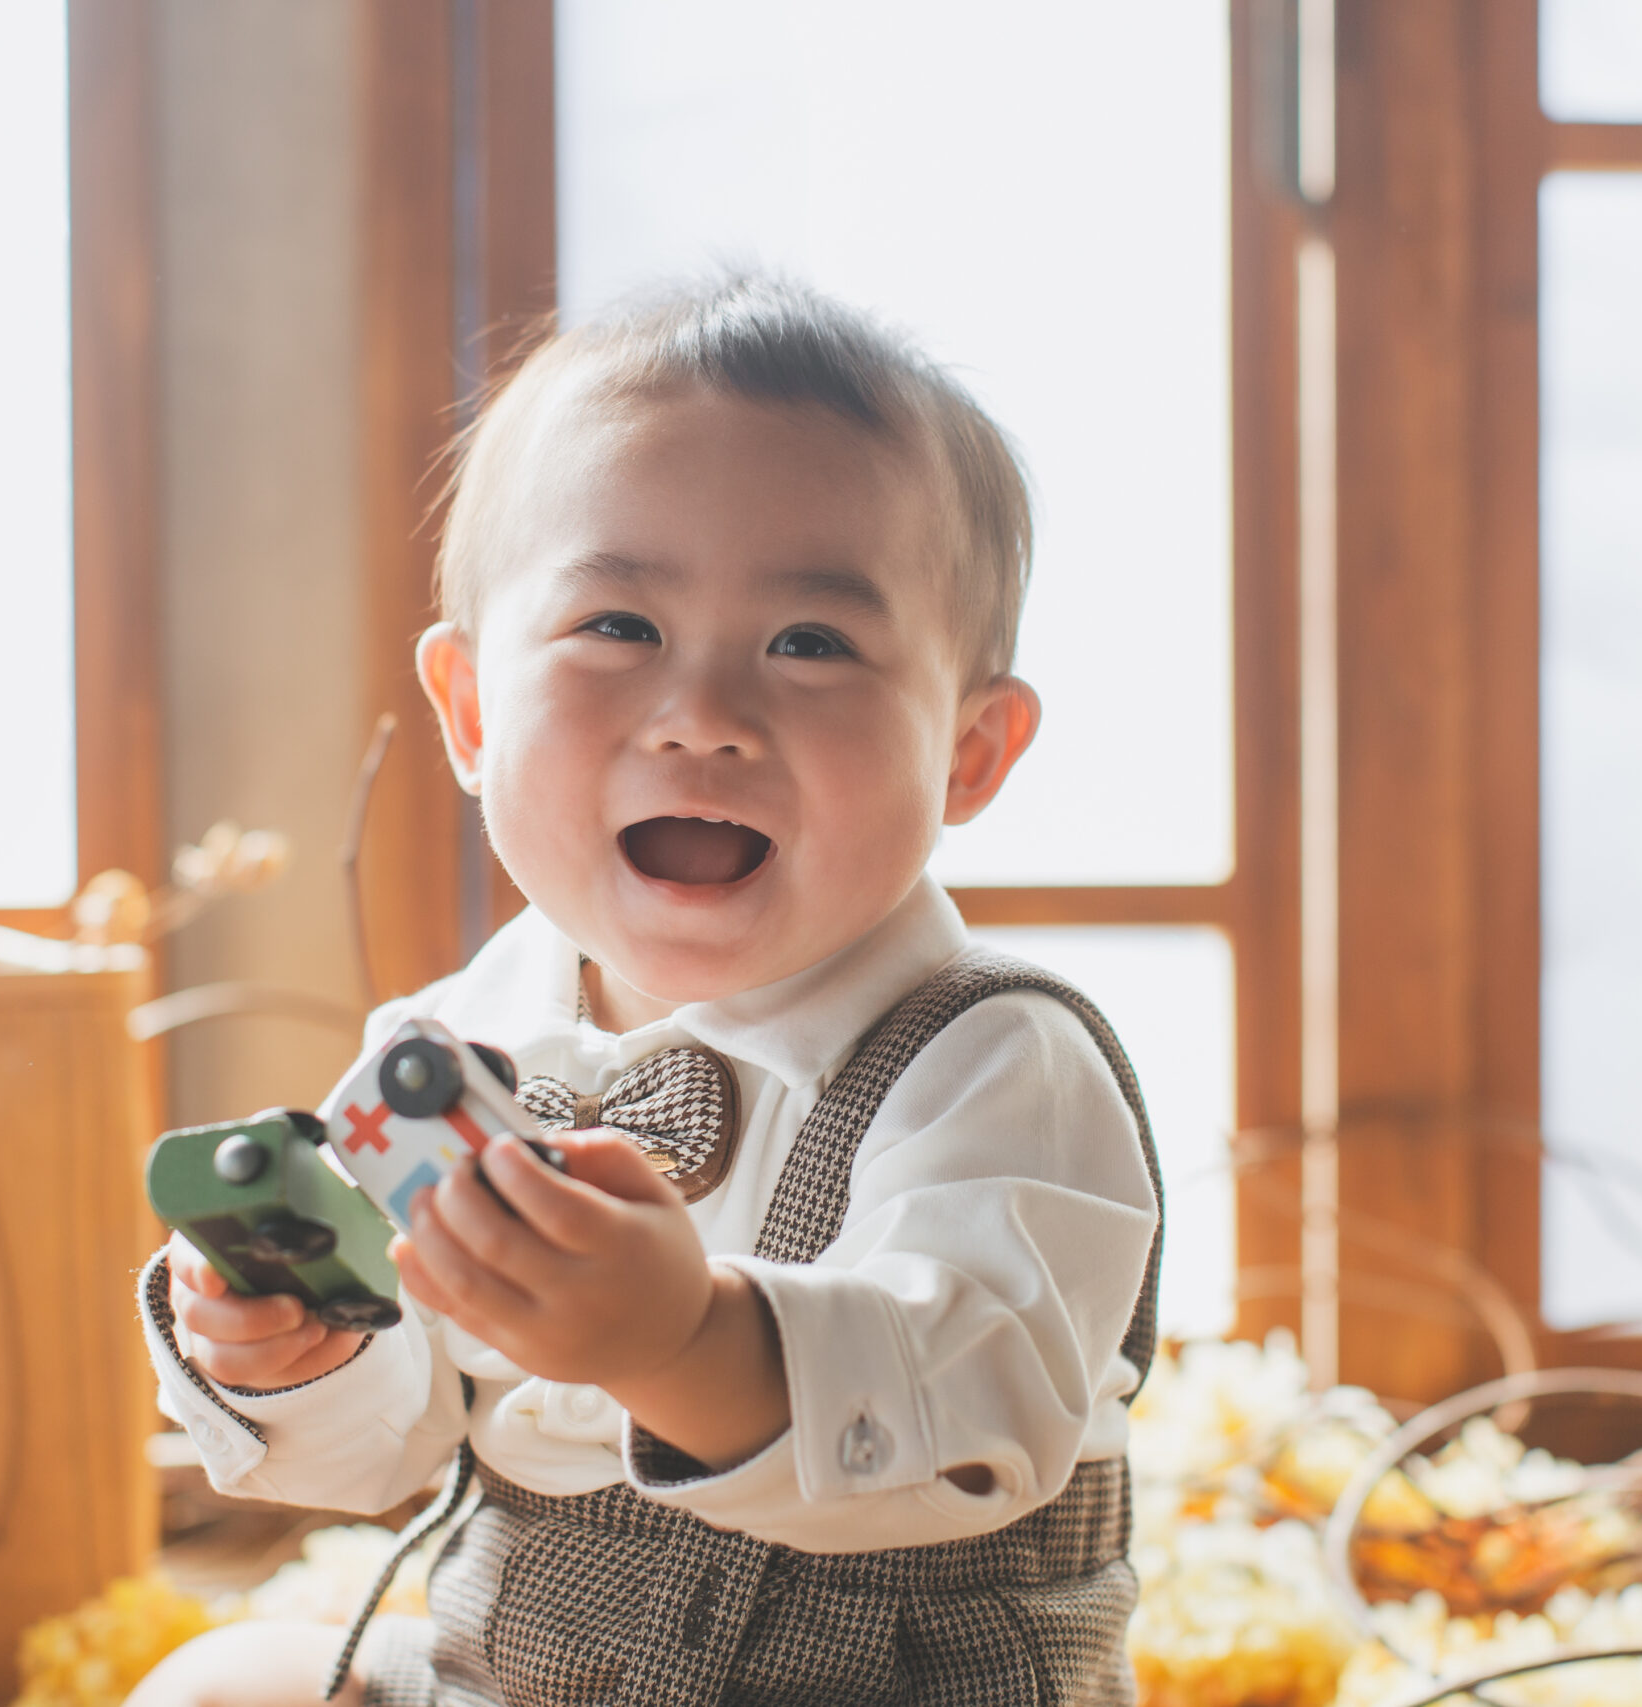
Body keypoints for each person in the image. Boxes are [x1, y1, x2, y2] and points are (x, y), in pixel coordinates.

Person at [130, 275, 1163, 1707]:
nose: (704, 718)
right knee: (226, 1681)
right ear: (474, 714)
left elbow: (979, 1420)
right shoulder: (444, 1052)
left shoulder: (999, 1063)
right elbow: (387, 1451)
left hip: (885, 1685)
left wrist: (688, 1344)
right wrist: (292, 1352)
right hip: (531, 1674)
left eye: (811, 644)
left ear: (972, 752)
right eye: (618, 626)